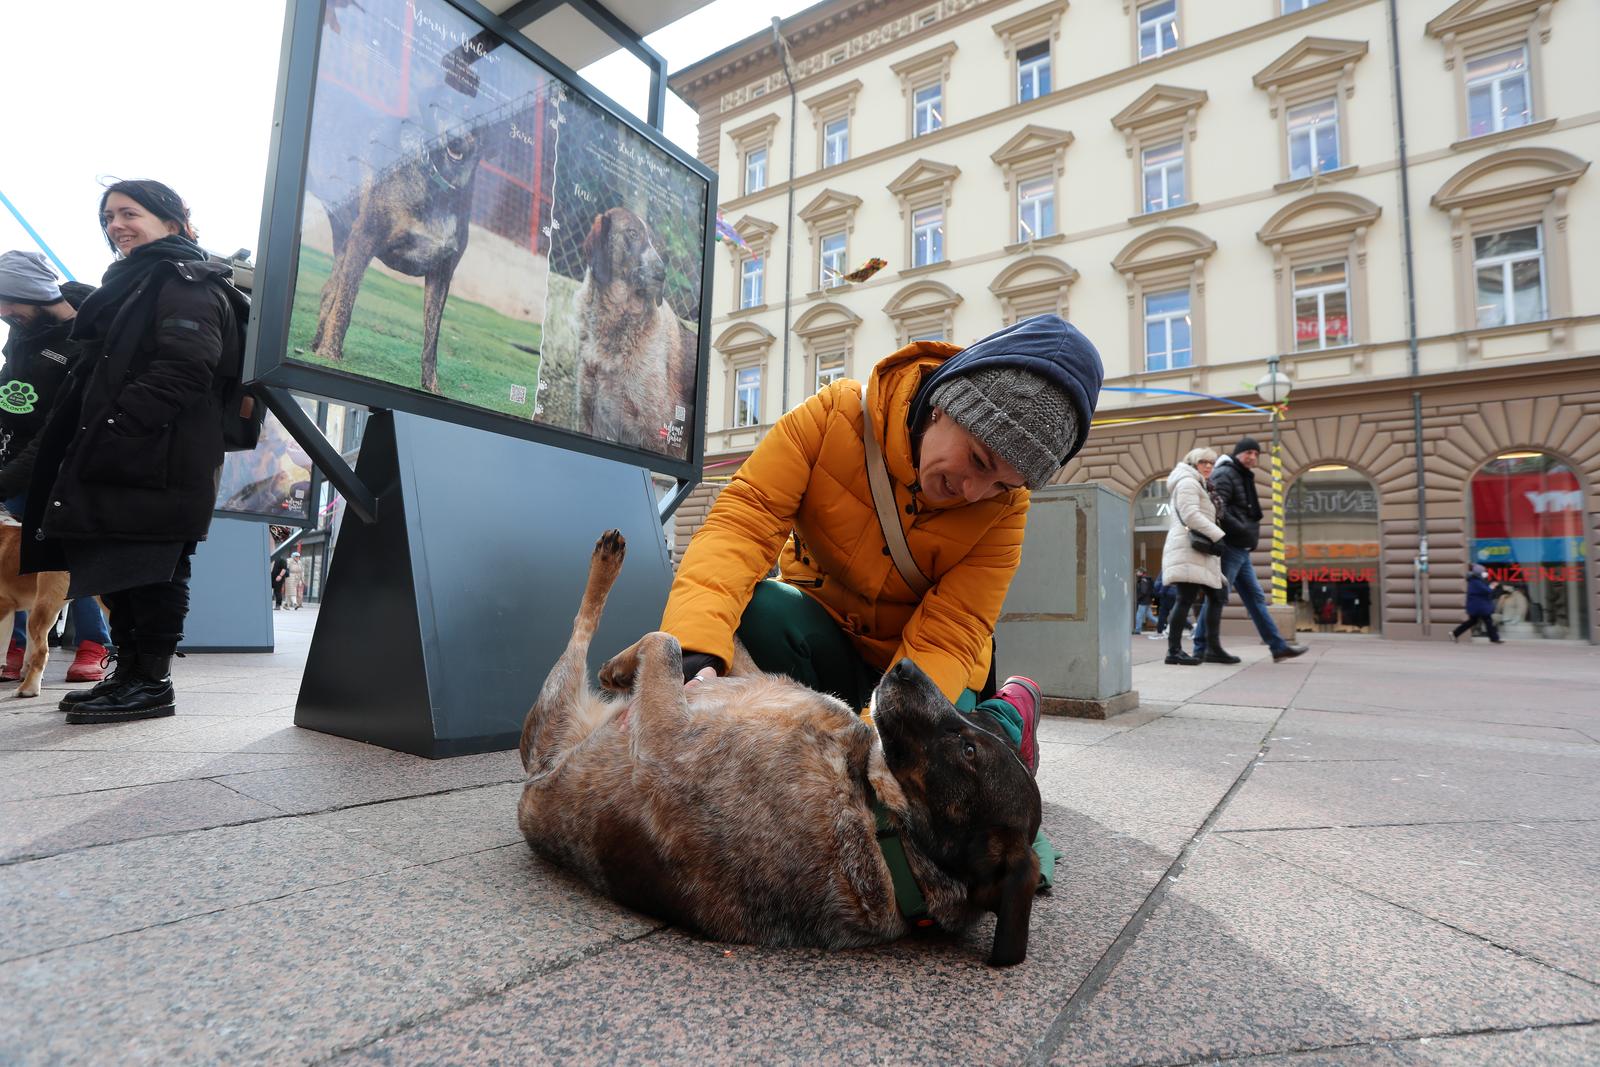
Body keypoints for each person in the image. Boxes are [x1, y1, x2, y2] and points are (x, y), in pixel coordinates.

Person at [660, 314, 1103, 886]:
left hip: (925, 668)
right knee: (762, 611)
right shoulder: (831, 420)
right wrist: (694, 651)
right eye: (977, 460)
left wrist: (876, 750)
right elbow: (741, 525)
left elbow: (952, 629)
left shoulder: (1004, 512)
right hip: (833, 635)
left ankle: (1004, 715)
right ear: (945, 403)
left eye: (1001, 484)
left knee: (941, 771)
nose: (974, 492)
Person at [16, 180, 244, 725]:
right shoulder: (135, 282)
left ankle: (152, 681)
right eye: (108, 217)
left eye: (128, 212)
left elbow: (187, 366)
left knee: (157, 567)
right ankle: (128, 675)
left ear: (170, 220)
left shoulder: (185, 281)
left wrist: (114, 427)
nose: (116, 225)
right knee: (121, 566)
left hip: (159, 454)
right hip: (136, 452)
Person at [0, 251, 114, 683]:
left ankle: (93, 642)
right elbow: (12, 390)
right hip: (18, 465)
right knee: (24, 559)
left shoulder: (85, 336)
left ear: (32, 292)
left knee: (68, 559)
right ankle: (20, 646)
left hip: (66, 465)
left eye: (9, 301)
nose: (4, 312)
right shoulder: (21, 330)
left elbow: (59, 426)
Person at [1192, 437, 1308, 663]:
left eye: (1256, 453)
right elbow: (1217, 506)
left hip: (1240, 549)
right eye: (1248, 452)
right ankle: (1202, 647)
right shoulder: (1226, 473)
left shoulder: (1241, 474)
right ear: (1238, 453)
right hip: (1231, 546)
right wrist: (1242, 529)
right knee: (1217, 597)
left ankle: (1278, 646)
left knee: (1254, 598)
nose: (1253, 457)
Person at [1160, 447, 1232, 666]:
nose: (1209, 466)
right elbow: (1190, 514)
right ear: (1193, 464)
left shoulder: (1200, 484)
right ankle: (1174, 651)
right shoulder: (1188, 482)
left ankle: (1212, 648)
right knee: (1186, 597)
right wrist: (1217, 536)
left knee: (1216, 595)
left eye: (1212, 462)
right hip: (1188, 549)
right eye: (1203, 462)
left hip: (1199, 552)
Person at [1452, 563, 1503, 644]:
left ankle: (1454, 633)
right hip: (1479, 606)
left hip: (1478, 605)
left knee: (1473, 621)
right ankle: (1494, 638)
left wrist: (1489, 586)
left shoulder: (1476, 580)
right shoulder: (1476, 581)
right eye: (1483, 571)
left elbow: (1484, 590)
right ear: (1479, 573)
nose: (1485, 573)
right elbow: (1486, 591)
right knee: (1487, 621)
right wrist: (1492, 586)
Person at [1133, 568, 1157, 634]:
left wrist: (1138, 598)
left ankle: (1137, 630)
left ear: (1141, 572)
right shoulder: (1146, 579)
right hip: (1147, 600)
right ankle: (1162, 625)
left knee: (1139, 615)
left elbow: (1144, 591)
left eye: (1137, 572)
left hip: (1143, 601)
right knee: (1150, 616)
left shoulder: (1143, 580)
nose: (1136, 573)